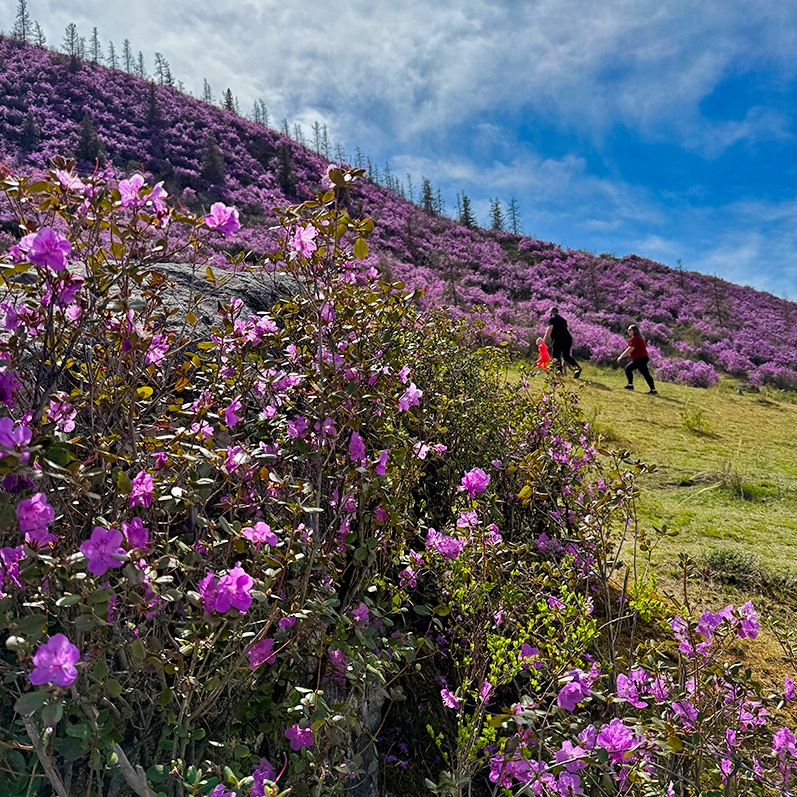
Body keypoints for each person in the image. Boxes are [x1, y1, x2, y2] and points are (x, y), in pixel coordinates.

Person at [617, 324, 657, 394]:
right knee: (630, 369)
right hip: (640, 358)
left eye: (630, 330)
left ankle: (652, 390)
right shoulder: (637, 338)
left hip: (640, 359)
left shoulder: (635, 338)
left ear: (634, 331)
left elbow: (630, 349)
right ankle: (631, 385)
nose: (628, 331)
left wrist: (621, 356)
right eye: (628, 330)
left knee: (640, 372)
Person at [543, 307, 581, 378]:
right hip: (568, 338)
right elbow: (566, 329)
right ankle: (577, 368)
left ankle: (559, 373)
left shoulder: (552, 319)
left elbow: (550, 329)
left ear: (551, 312)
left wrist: (544, 339)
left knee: (556, 356)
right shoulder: (563, 320)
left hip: (558, 338)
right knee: (566, 355)